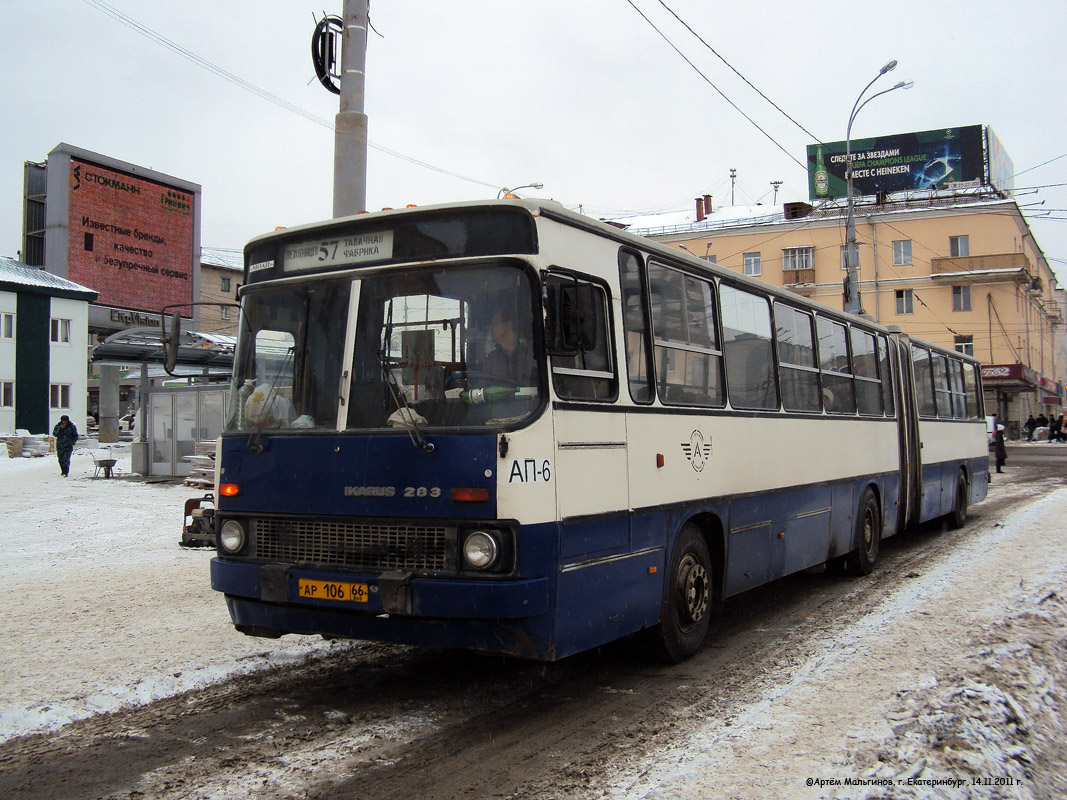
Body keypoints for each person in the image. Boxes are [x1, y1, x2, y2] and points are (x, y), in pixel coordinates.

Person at [484, 307, 536, 386]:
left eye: (495, 322)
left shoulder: (530, 356)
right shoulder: (491, 358)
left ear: (508, 325)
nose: (490, 327)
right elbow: (481, 389)